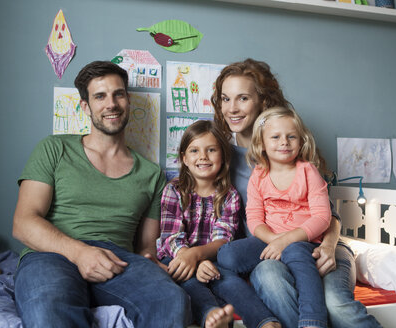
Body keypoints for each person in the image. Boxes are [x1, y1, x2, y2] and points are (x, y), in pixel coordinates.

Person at [12, 60, 190, 328]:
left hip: (117, 259)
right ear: (85, 106)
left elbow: (145, 247)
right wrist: (81, 253)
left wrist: (151, 265)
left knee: (171, 299)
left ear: (128, 101)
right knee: (49, 308)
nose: (111, 104)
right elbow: (23, 223)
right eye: (100, 96)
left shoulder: (152, 174)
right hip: (52, 253)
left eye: (118, 94)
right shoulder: (54, 148)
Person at [212, 58, 382, 328]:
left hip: (319, 243)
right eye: (225, 99)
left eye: (242, 98)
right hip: (270, 250)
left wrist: (326, 247)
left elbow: (328, 216)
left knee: (335, 305)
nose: (232, 108)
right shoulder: (218, 158)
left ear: (263, 102)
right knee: (271, 281)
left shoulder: (291, 153)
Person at [156, 120, 281, 328]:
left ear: (222, 157)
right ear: (184, 158)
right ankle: (211, 315)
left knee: (230, 281)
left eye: (211, 150)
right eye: (194, 150)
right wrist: (192, 259)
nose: (203, 157)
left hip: (214, 259)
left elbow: (223, 239)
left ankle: (265, 321)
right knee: (189, 281)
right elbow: (171, 236)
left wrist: (200, 257)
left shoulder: (230, 195)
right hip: (177, 256)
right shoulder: (174, 190)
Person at [218, 107, 332, 328]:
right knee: (226, 256)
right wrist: (274, 240)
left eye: (291, 137)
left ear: (301, 142)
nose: (284, 142)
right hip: (269, 239)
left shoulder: (308, 171)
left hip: (303, 240)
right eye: (276, 137)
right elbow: (254, 219)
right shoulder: (258, 175)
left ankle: (313, 321)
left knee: (299, 259)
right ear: (261, 143)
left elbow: (322, 217)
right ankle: (260, 316)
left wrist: (287, 240)